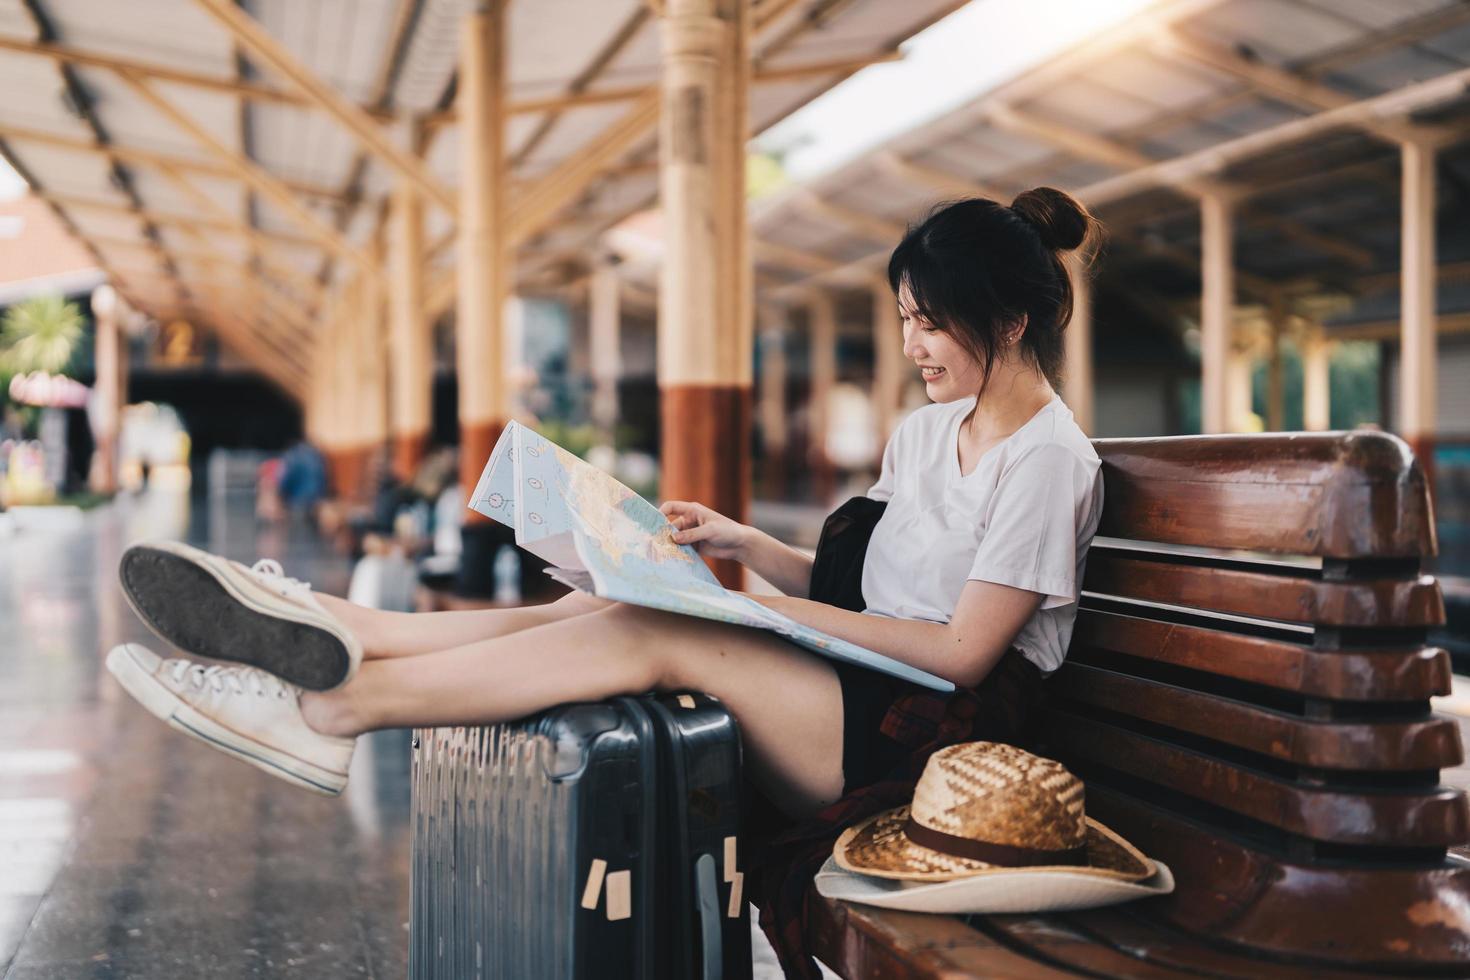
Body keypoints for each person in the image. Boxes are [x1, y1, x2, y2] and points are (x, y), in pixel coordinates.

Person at [106, 188, 1104, 971]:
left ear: (1009, 320)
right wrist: (746, 547)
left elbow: (963, 647)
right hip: (855, 683)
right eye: (904, 319)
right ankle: (330, 622)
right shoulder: (931, 432)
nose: (910, 346)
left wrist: (762, 609)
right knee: (617, 596)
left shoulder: (1049, 460)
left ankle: (337, 708)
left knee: (653, 630)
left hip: (934, 738)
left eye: (931, 323)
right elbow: (870, 589)